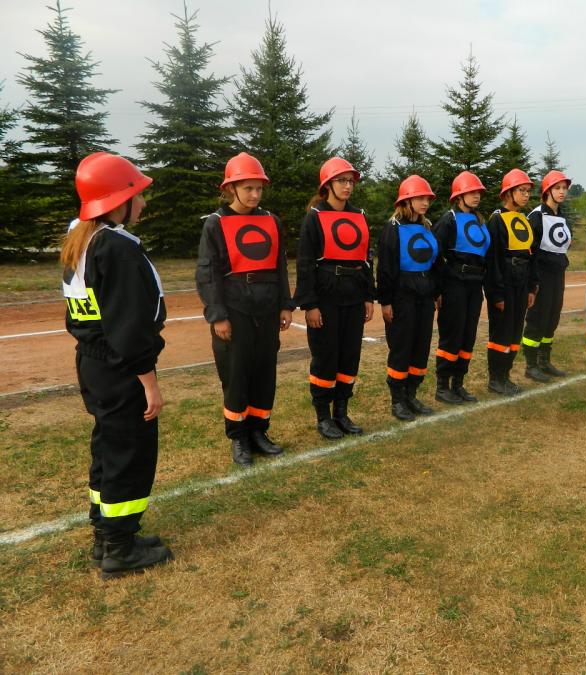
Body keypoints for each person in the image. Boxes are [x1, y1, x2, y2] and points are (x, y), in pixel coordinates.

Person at [62, 152, 173, 579]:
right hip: (120, 367)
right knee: (130, 453)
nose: (142, 203)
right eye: (136, 195)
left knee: (108, 449)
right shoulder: (117, 248)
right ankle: (120, 549)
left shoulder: (80, 237)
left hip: (93, 361)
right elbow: (130, 327)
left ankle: (106, 536)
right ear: (116, 201)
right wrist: (150, 382)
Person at [196, 153, 294, 467]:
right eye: (248, 188)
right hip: (235, 308)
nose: (254, 195)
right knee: (236, 374)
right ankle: (239, 436)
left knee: (265, 372)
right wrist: (218, 315)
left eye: (259, 188)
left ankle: (259, 431)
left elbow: (280, 266)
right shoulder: (215, 223)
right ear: (231, 189)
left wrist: (285, 305)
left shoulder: (272, 221)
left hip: (267, 307)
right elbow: (208, 273)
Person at [294, 157, 375, 439]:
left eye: (350, 181)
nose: (347, 186)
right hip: (326, 296)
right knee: (325, 357)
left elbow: (366, 258)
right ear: (327, 184)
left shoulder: (359, 215)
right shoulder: (315, 216)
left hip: (354, 294)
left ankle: (341, 412)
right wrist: (310, 304)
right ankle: (323, 416)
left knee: (350, 356)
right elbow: (305, 262)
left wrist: (368, 296)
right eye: (341, 180)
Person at [377, 175, 441, 421]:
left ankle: (411, 394)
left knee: (421, 345)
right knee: (402, 347)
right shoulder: (392, 228)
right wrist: (386, 302)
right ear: (406, 200)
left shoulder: (427, 227)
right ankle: (397, 400)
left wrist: (436, 292)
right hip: (402, 295)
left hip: (425, 293)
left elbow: (436, 263)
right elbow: (385, 268)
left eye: (427, 199)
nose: (425, 202)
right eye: (420, 198)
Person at [432, 171, 491, 404]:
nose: (476, 196)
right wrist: (439, 289)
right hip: (454, 285)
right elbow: (436, 256)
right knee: (452, 335)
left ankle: (458, 384)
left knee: (468, 335)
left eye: (478, 192)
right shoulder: (449, 220)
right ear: (459, 196)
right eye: (471, 192)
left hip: (475, 285)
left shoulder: (480, 221)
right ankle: (442, 386)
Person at [484, 169, 538, 395]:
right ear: (508, 193)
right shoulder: (497, 220)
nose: (526, 195)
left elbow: (531, 255)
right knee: (501, 332)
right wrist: (496, 294)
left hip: (521, 282)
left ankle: (505, 375)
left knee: (515, 332)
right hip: (505, 282)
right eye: (521, 191)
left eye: (527, 191)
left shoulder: (524, 220)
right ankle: (495, 379)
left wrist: (532, 287)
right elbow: (492, 260)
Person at [521, 170, 572, 382]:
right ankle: (531, 365)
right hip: (541, 276)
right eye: (557, 188)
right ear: (547, 191)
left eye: (564, 188)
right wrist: (532, 282)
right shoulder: (536, 216)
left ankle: (544, 360)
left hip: (557, 275)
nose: (562, 192)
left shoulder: (562, 217)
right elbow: (529, 251)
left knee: (552, 317)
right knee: (537, 318)